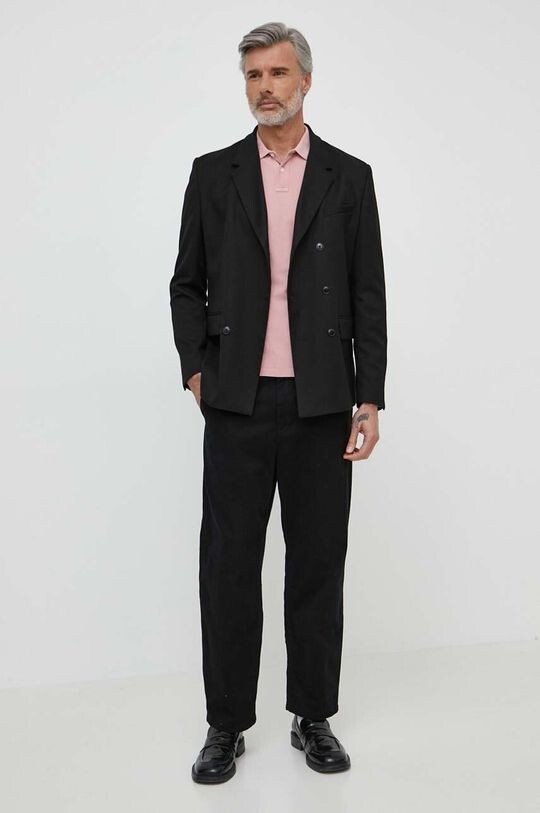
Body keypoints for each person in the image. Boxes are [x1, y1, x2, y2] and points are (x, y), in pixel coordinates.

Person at [169, 21, 387, 784]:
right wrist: (197, 370)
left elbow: (368, 293)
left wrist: (369, 396)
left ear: (306, 81)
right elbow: (185, 284)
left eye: (278, 73)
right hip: (236, 402)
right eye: (254, 75)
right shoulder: (213, 174)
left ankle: (313, 715)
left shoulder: (348, 177)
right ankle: (225, 723)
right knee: (228, 566)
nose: (266, 87)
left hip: (323, 403)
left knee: (317, 564)